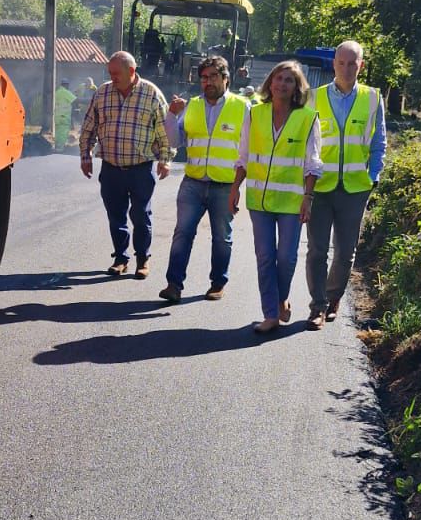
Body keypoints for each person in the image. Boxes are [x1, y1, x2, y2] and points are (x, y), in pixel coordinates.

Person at [229, 60, 321, 333]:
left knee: (287, 258)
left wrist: (308, 197)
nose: (282, 84)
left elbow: (313, 162)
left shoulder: (307, 118)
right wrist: (235, 188)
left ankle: (281, 298)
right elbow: (244, 155)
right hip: (260, 200)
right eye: (278, 78)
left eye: (289, 80)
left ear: (296, 87)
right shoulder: (254, 113)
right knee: (265, 257)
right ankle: (270, 314)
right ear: (270, 83)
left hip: (292, 202)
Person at [304, 39, 387, 329]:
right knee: (317, 250)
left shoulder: (373, 98)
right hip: (320, 187)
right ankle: (317, 307)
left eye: (353, 63)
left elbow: (379, 143)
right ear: (334, 64)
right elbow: (305, 143)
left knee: (345, 251)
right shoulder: (314, 98)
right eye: (342, 63)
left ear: (360, 65)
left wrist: (373, 176)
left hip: (355, 188)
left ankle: (333, 297)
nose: (347, 68)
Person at [159, 56, 249, 303]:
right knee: (182, 233)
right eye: (204, 78)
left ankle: (218, 283)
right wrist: (171, 115)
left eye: (213, 76)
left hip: (225, 185)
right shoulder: (192, 106)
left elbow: (249, 149)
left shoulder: (243, 107)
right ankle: (173, 285)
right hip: (193, 182)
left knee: (221, 237)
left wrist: (238, 186)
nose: (207, 82)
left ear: (225, 78)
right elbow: (175, 141)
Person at [79, 51, 170, 277]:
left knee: (140, 215)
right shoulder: (102, 93)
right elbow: (89, 127)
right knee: (116, 216)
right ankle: (121, 258)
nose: (112, 77)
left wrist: (165, 160)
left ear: (131, 71)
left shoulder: (151, 93)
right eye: (110, 73)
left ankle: (142, 260)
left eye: (116, 73)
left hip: (141, 169)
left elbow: (165, 132)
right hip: (111, 169)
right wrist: (85, 156)